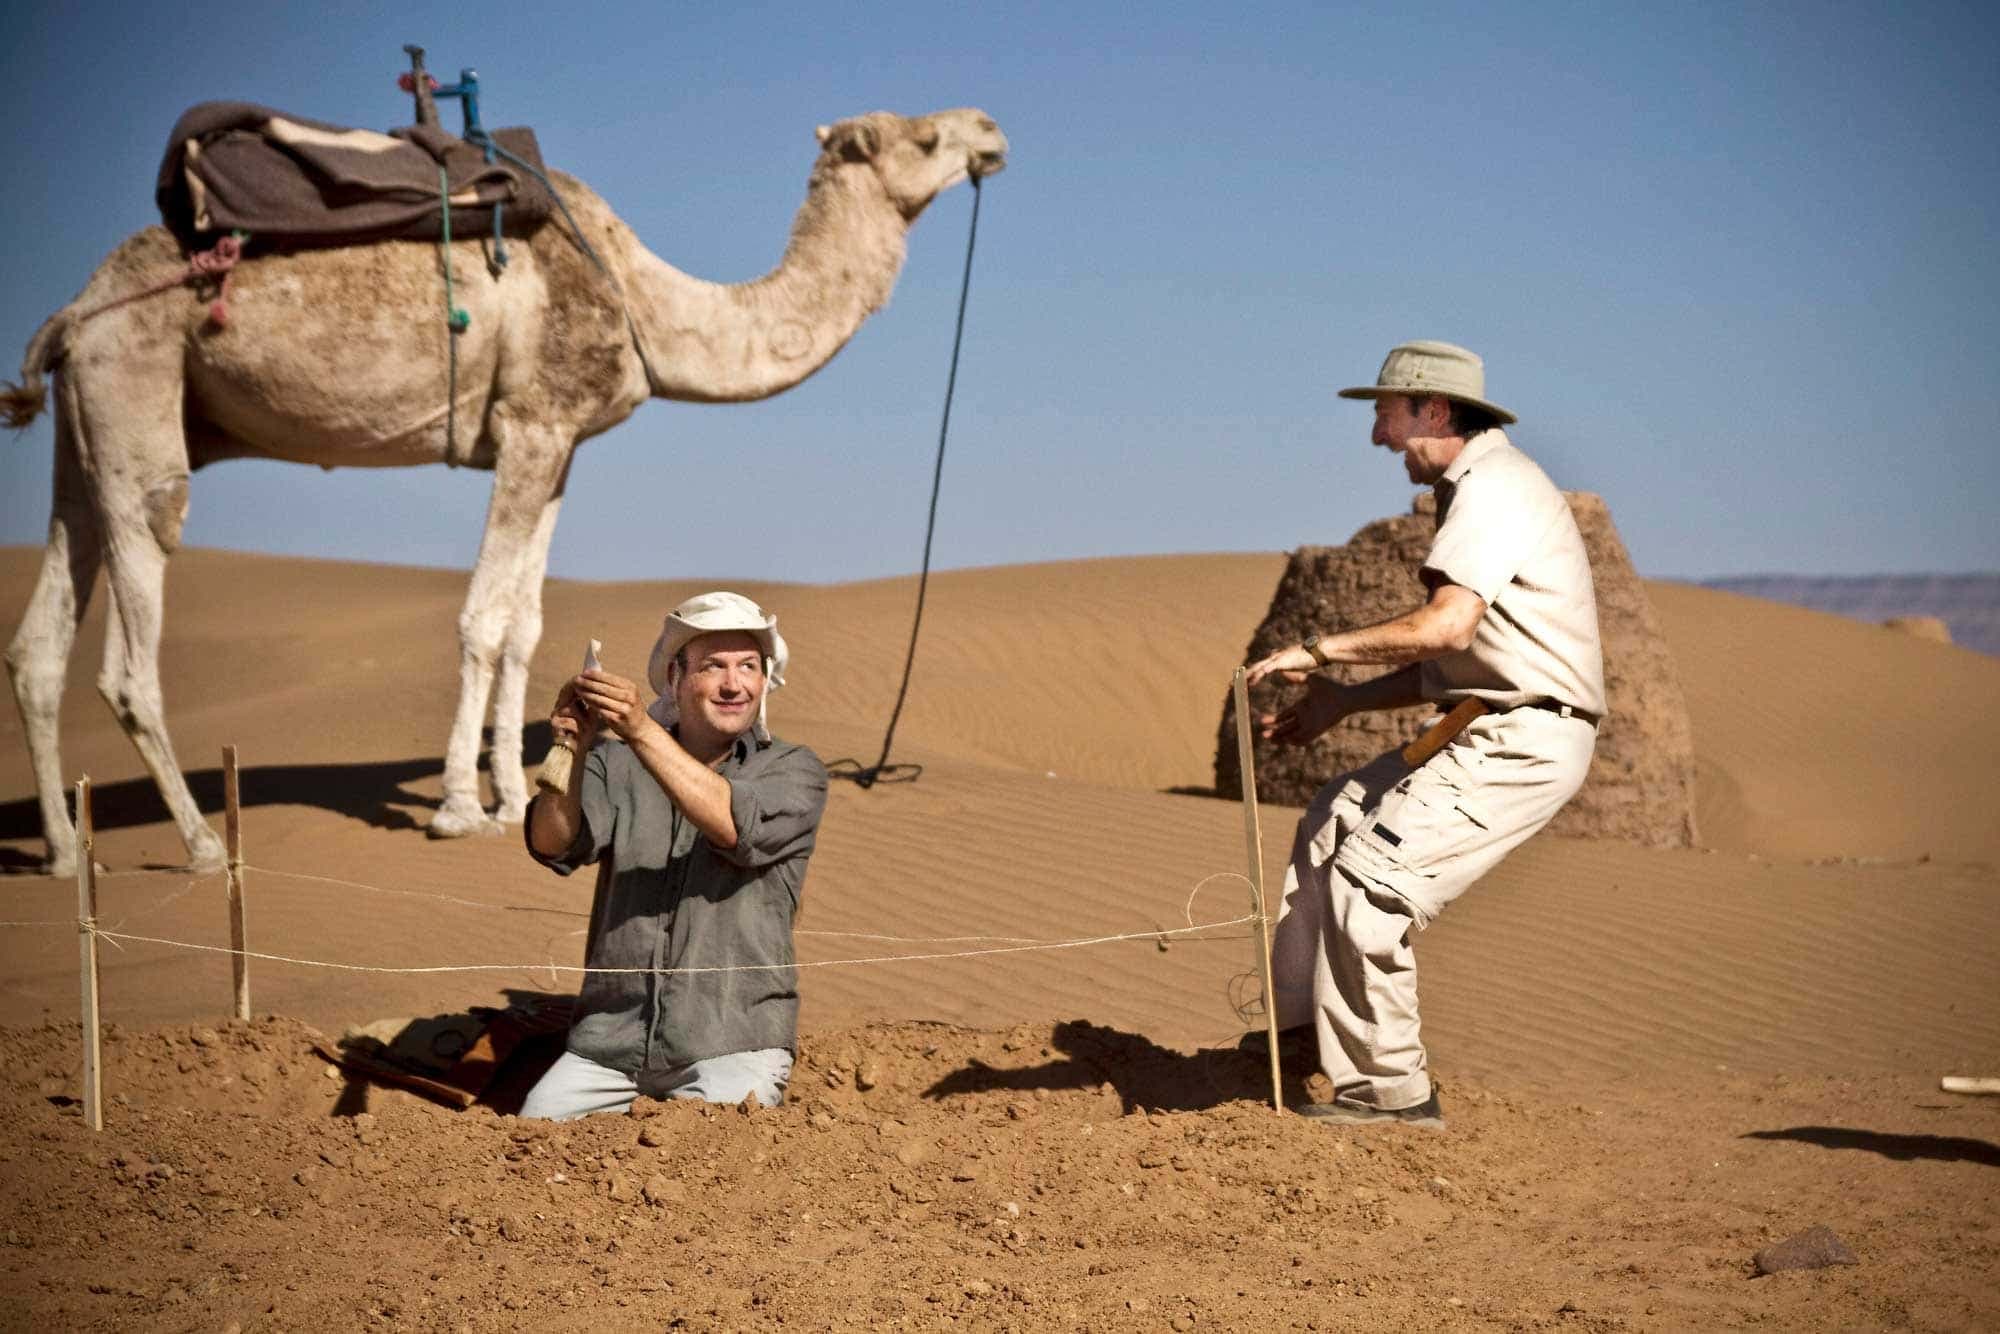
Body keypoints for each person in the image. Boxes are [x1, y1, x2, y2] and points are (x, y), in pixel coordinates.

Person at [1244, 340, 1604, 1129]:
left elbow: (1444, 629)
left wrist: (1318, 650)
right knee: (1329, 824)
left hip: (1524, 736)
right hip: (1482, 719)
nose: (1377, 437)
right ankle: (1306, 1041)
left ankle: (1392, 1097)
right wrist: (1344, 702)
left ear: (1432, 410)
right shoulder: (1474, 488)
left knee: (1370, 886)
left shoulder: (1494, 487)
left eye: (1384, 415)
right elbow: (1465, 656)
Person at [519, 591, 829, 1120]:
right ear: (676, 676)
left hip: (732, 1040)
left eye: (749, 667)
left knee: (713, 1169)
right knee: (533, 1145)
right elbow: (553, 842)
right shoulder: (616, 764)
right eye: (713, 666)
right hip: (609, 1044)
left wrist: (638, 729)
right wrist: (571, 749)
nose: (734, 684)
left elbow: (732, 823)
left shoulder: (793, 770)